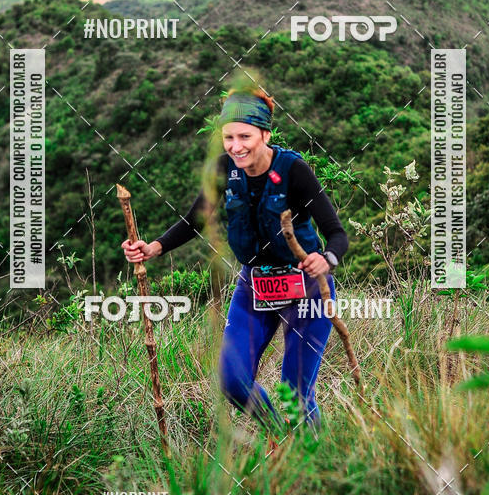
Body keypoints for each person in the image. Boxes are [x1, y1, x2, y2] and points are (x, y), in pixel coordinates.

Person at [122, 87, 349, 430]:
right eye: (229, 137)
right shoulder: (222, 169)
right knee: (232, 381)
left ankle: (313, 461)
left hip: (306, 289)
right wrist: (154, 247)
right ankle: (279, 436)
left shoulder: (294, 170)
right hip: (254, 287)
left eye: (245, 136)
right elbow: (195, 219)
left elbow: (337, 234)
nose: (236, 146)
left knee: (296, 394)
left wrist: (326, 259)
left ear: (265, 134)